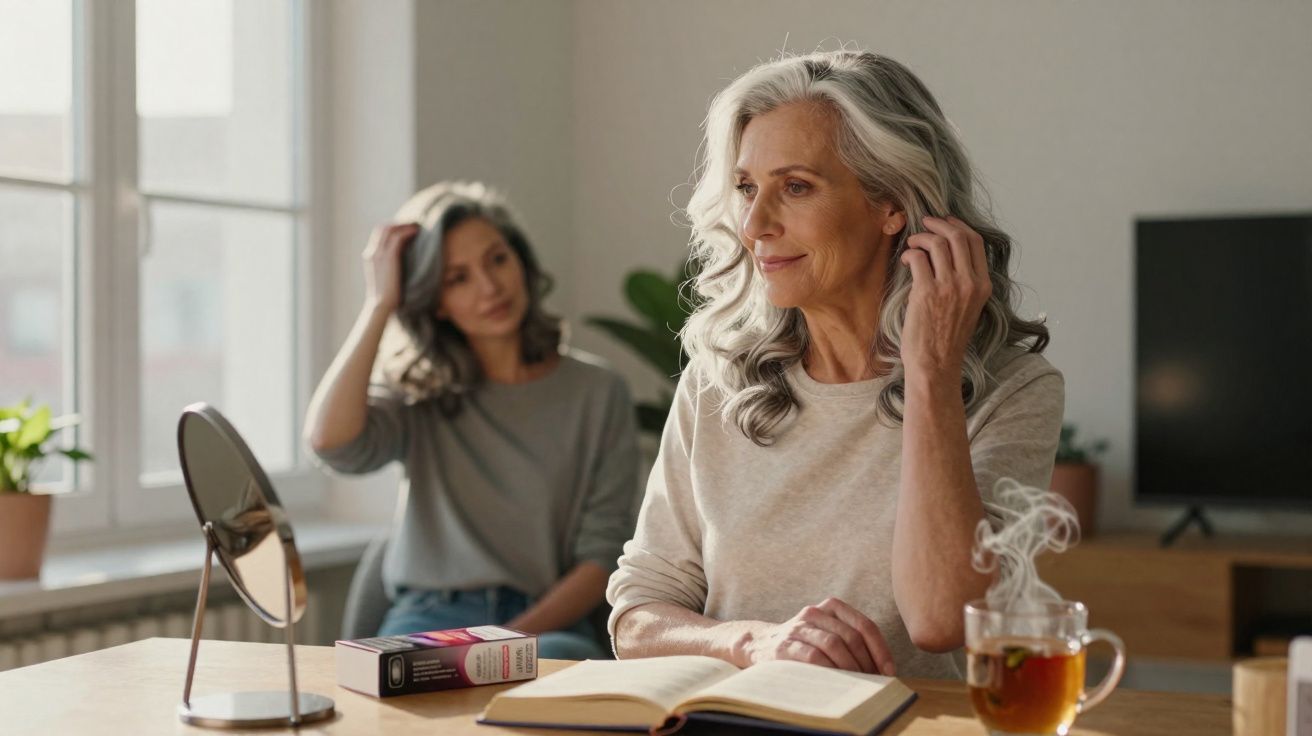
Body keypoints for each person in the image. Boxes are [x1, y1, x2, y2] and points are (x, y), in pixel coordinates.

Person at [606, 50, 1064, 679]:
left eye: (795, 187)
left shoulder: (1012, 391)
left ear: (892, 205)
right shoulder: (715, 385)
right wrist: (751, 643)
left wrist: (930, 371)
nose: (755, 225)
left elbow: (940, 619)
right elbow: (636, 616)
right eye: (746, 188)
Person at [307, 181, 639, 660]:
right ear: (434, 300)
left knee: (557, 677)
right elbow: (330, 443)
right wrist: (379, 304)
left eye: (497, 259)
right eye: (457, 278)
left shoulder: (599, 392)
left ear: (521, 262)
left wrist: (496, 645)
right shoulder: (420, 392)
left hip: (544, 625)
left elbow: (602, 557)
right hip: (429, 617)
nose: (490, 286)